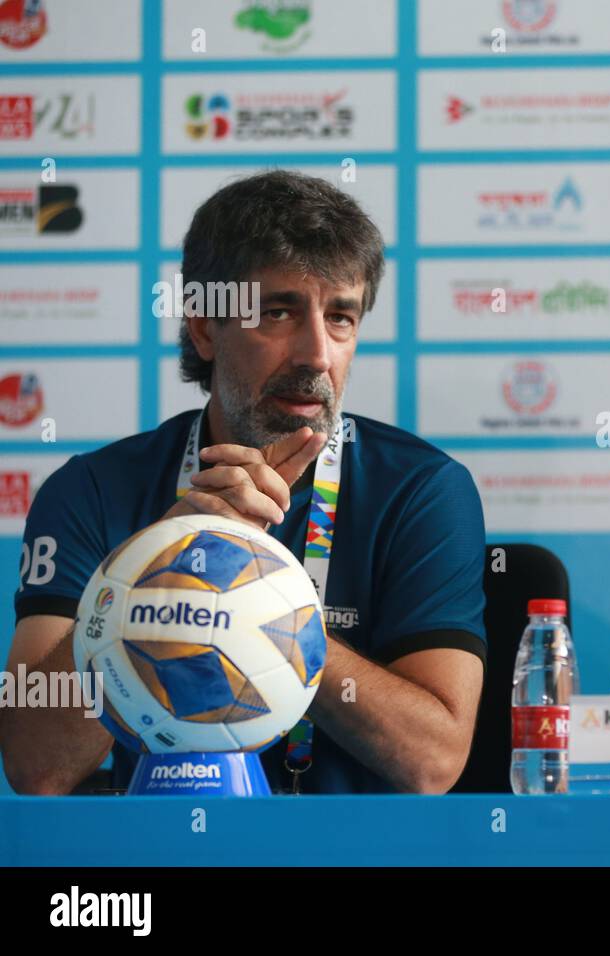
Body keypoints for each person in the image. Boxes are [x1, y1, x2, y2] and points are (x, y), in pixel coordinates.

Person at [1, 170, 487, 794]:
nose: (317, 354)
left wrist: (257, 618)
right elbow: (35, 765)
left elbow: (434, 762)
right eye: (280, 312)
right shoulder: (92, 490)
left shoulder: (422, 489)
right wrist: (161, 569)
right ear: (204, 328)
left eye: (340, 317)